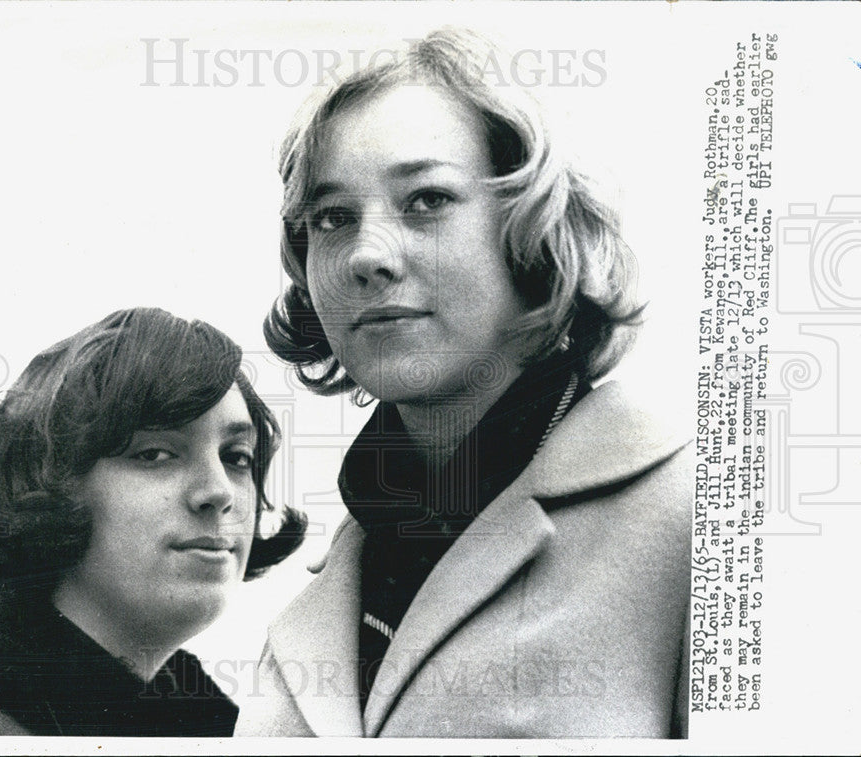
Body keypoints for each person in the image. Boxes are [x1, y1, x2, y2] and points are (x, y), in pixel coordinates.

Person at [236, 28, 691, 738]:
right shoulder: (317, 600)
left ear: (532, 232)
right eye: (332, 218)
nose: (366, 255)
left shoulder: (698, 518)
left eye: (425, 202)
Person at [0, 307, 307, 736]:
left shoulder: (239, 734)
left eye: (237, 458)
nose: (220, 492)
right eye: (155, 454)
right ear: (47, 484)